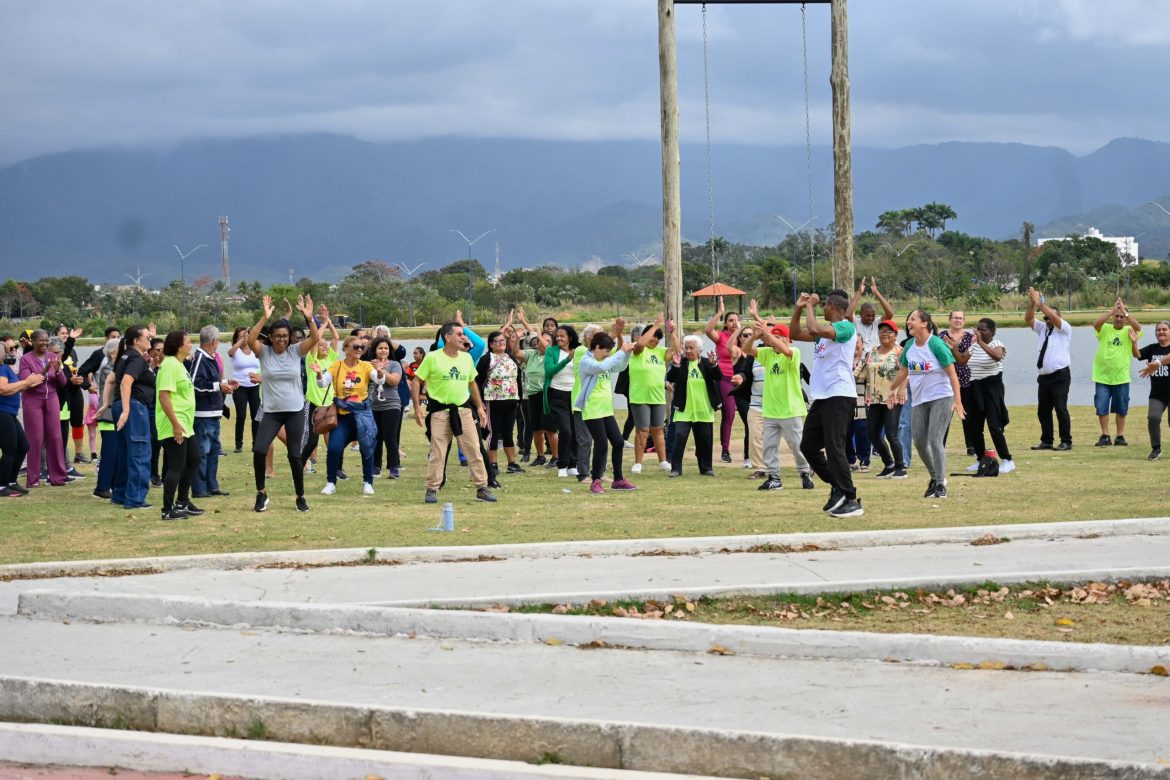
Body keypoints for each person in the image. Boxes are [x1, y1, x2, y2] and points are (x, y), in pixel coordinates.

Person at [790, 292, 863, 517]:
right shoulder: (824, 334)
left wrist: (810, 307)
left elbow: (815, 329)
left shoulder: (845, 327)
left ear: (832, 306)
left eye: (823, 306)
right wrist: (799, 308)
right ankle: (838, 486)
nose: (821, 308)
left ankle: (851, 499)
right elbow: (794, 333)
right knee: (808, 447)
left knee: (834, 447)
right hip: (822, 397)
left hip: (840, 395)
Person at [248, 294, 323, 513]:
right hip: (271, 412)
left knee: (294, 455)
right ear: (270, 337)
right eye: (278, 336)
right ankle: (261, 494)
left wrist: (309, 318)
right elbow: (251, 339)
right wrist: (264, 317)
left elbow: (315, 338)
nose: (282, 339)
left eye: (285, 336)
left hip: (295, 411)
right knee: (259, 449)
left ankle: (300, 496)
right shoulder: (264, 353)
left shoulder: (295, 351)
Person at [412, 321, 496, 504]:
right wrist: (417, 407)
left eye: (463, 334)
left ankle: (482, 487)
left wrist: (480, 408)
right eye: (459, 334)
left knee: (474, 449)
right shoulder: (432, 358)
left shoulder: (466, 358)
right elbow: (417, 381)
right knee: (438, 451)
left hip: (464, 411)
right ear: (447, 337)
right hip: (440, 412)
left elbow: (472, 383)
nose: (463, 338)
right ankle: (432, 489)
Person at [888, 310, 966, 499]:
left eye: (913, 319)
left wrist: (958, 400)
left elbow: (952, 374)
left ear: (924, 323)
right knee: (919, 442)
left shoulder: (936, 344)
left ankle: (940, 484)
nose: (909, 322)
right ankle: (935, 478)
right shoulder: (910, 347)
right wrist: (892, 389)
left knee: (934, 439)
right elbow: (904, 371)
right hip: (920, 400)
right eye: (908, 320)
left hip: (941, 397)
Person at [740, 302, 815, 491]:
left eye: (779, 337)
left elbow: (785, 349)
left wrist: (766, 330)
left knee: (797, 446)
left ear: (787, 339)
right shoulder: (767, 353)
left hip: (790, 410)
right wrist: (756, 335)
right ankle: (774, 478)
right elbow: (747, 350)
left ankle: (805, 474)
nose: (774, 340)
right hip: (771, 410)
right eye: (774, 337)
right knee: (769, 447)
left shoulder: (793, 353)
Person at [321, 334, 383, 496]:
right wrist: (319, 375)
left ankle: (368, 482)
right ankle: (331, 482)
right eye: (355, 347)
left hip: (363, 415)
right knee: (334, 447)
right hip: (343, 416)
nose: (359, 350)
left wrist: (380, 372)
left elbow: (378, 380)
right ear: (346, 348)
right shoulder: (337, 366)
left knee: (367, 448)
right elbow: (322, 383)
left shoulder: (366, 366)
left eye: (362, 347)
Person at [575, 331, 637, 493]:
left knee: (618, 442)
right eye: (606, 351)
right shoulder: (586, 361)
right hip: (592, 409)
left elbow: (620, 366)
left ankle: (618, 480)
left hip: (606, 409)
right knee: (601, 444)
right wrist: (620, 352)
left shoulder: (605, 360)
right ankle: (595, 480)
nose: (608, 354)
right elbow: (601, 367)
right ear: (596, 347)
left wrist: (627, 354)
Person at [155, 330, 202, 520]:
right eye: (189, 341)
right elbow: (164, 396)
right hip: (174, 423)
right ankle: (167, 509)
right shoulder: (169, 365)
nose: (191, 344)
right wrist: (175, 424)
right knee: (176, 465)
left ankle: (182, 502)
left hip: (185, 424)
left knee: (194, 459)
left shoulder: (180, 365)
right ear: (179, 345)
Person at [187, 326, 236, 499]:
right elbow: (194, 384)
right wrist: (218, 386)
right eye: (218, 341)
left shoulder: (211, 358)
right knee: (203, 451)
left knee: (214, 450)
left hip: (214, 412)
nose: (218, 344)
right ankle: (199, 488)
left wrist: (226, 382)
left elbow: (212, 380)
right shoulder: (200, 357)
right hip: (203, 414)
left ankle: (211, 485)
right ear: (213, 341)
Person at [18, 330, 70, 488]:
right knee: (35, 439)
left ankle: (58, 476)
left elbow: (62, 383)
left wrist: (59, 369)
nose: (45, 343)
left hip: (52, 398)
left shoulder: (53, 356)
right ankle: (33, 479)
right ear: (33, 342)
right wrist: (45, 370)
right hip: (33, 400)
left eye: (46, 341)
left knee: (55, 437)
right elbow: (28, 382)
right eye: (41, 341)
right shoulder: (26, 359)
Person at [110, 326, 155, 508]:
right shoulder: (136, 359)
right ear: (136, 341)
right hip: (134, 407)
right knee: (140, 453)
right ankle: (135, 498)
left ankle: (120, 494)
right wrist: (127, 409)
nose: (150, 340)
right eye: (147, 337)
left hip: (120, 405)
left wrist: (108, 404)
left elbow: (112, 381)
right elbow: (127, 382)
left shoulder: (124, 356)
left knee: (125, 453)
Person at [665, 333, 722, 477]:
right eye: (686, 348)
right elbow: (670, 377)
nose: (688, 351)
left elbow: (718, 376)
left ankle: (706, 468)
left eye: (691, 348)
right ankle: (676, 468)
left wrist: (714, 364)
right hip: (684, 409)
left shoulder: (706, 362)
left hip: (703, 409)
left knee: (705, 441)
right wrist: (676, 366)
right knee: (679, 437)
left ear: (699, 350)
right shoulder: (680, 363)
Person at [856, 320, 907, 479]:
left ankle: (900, 466)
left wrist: (902, 390)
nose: (884, 334)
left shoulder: (900, 351)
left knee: (891, 434)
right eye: (881, 331)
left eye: (888, 331)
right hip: (875, 399)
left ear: (895, 334)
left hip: (892, 398)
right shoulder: (872, 352)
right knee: (872, 434)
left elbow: (906, 372)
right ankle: (889, 464)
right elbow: (860, 372)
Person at [1025, 288, 1073, 451]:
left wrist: (1041, 303)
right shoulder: (1043, 329)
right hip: (1044, 378)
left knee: (1060, 408)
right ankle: (1047, 441)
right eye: (1045, 318)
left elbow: (1053, 316)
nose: (1047, 320)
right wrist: (1033, 304)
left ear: (1059, 317)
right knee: (1043, 411)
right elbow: (1029, 319)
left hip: (1060, 376)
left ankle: (1066, 441)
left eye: (1049, 317)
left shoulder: (1064, 329)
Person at [965, 318, 1014, 473]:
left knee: (994, 426)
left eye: (983, 330)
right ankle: (981, 459)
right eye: (978, 329)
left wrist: (981, 343)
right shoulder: (974, 346)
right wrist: (952, 348)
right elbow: (961, 360)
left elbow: (997, 356)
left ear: (992, 331)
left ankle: (1007, 460)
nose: (979, 332)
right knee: (974, 427)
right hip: (975, 388)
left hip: (992, 388)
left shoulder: (996, 344)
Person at [1091, 297, 1141, 446]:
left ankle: (1120, 436)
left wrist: (1125, 312)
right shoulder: (1105, 329)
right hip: (1102, 377)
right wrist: (1112, 310)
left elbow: (1138, 327)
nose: (1119, 319)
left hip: (1121, 377)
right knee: (1101, 406)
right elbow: (1096, 324)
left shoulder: (1129, 331)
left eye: (1121, 317)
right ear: (1113, 317)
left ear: (1125, 319)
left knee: (1121, 407)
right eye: (1116, 316)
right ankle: (1105, 435)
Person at [476, 328, 524, 479]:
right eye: (498, 341)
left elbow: (517, 379)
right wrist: (481, 403)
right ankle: (493, 463)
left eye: (504, 341)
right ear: (491, 344)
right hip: (493, 400)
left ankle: (512, 463)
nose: (502, 343)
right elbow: (477, 381)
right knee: (493, 433)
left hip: (511, 400)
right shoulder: (486, 359)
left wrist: (519, 399)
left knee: (509, 432)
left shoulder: (511, 357)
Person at [628, 314, 673, 474]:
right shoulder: (638, 350)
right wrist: (655, 326)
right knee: (642, 430)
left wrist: (672, 333)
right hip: (640, 397)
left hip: (657, 397)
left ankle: (663, 461)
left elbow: (677, 351)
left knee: (658, 429)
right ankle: (638, 463)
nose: (655, 340)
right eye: (653, 337)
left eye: (658, 338)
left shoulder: (660, 352)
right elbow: (640, 343)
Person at [0, 341, 41, 497]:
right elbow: (3, 389)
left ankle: (11, 481)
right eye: (9, 349)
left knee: (23, 446)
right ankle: (2, 485)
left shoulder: (6, 368)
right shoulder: (2, 369)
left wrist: (29, 382)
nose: (12, 351)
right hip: (2, 412)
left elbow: (16, 387)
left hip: (9, 413)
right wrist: (25, 382)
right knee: (10, 449)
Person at [704, 297, 741, 463]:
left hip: (742, 380)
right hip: (725, 379)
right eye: (731, 320)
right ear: (726, 324)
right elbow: (707, 330)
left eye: (736, 320)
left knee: (750, 415)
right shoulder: (721, 336)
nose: (734, 323)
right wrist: (719, 312)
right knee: (729, 414)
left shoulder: (743, 337)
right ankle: (725, 450)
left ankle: (750, 452)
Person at [939, 310, 976, 457]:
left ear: (964, 321)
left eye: (960, 318)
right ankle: (940, 445)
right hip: (946, 380)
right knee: (944, 415)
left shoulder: (969, 337)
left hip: (966, 378)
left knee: (966, 414)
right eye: (955, 317)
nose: (957, 320)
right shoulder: (941, 336)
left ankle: (971, 445)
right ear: (950, 319)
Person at [543, 325, 579, 477]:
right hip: (557, 395)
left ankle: (573, 464)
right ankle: (562, 465)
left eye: (562, 336)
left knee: (576, 431)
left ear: (570, 338)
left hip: (575, 395)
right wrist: (566, 360)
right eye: (557, 336)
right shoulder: (551, 351)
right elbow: (549, 370)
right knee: (565, 430)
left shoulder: (579, 350)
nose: (558, 338)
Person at [367, 336, 403, 479]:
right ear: (375, 350)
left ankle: (393, 467)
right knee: (375, 437)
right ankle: (376, 466)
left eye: (386, 348)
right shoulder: (368, 365)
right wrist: (375, 368)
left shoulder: (394, 364)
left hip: (391, 405)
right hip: (374, 406)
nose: (383, 351)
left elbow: (394, 381)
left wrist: (382, 370)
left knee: (390, 437)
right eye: (380, 348)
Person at [1133, 321, 1170, 461]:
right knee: (1153, 418)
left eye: (1164, 329)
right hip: (1157, 394)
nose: (1161, 332)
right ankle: (1156, 449)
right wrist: (1134, 342)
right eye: (1158, 330)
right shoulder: (1153, 349)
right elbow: (1137, 355)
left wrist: (1158, 363)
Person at [91, 338, 121, 499]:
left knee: (116, 453)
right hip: (108, 416)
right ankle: (102, 486)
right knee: (109, 453)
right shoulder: (108, 367)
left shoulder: (115, 366)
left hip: (113, 415)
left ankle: (113, 484)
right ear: (112, 352)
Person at [228, 326, 262, 453]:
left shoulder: (254, 349)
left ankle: (256, 443)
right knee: (241, 415)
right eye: (242, 335)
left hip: (254, 387)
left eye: (247, 335)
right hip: (239, 387)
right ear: (237, 337)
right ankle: (238, 444)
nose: (245, 337)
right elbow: (230, 353)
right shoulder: (236, 350)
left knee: (256, 416)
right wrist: (240, 341)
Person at [845, 277, 895, 351]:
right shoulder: (856, 322)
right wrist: (859, 292)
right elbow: (848, 314)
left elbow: (890, 313)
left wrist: (876, 292)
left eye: (873, 315)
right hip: (859, 357)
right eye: (868, 316)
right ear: (861, 314)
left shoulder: (877, 322)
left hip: (874, 358)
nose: (871, 318)